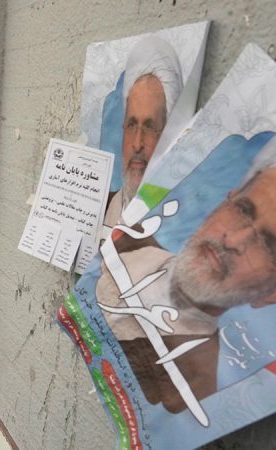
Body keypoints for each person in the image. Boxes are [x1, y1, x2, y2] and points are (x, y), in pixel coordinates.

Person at [96, 137, 276, 412]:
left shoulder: (187, 393)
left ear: (271, 294)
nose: (233, 240)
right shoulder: (120, 233)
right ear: (223, 203)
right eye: (242, 210)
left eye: (268, 245)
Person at [103, 36, 183, 227]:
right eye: (131, 125)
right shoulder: (103, 208)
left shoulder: (181, 223)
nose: (137, 143)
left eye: (150, 127)